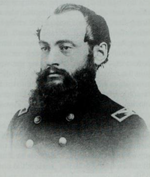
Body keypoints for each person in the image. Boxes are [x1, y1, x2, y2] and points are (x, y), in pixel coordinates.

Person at [7, 3, 148, 172]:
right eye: (45, 48)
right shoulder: (20, 123)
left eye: (65, 48)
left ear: (99, 53)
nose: (50, 59)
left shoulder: (126, 130)